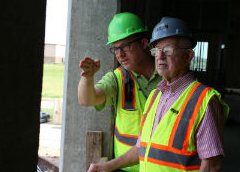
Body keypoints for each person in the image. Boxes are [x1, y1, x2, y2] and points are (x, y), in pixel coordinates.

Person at [87, 16, 229, 172]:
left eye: (168, 50)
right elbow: (143, 148)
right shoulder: (155, 97)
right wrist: (106, 167)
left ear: (188, 56)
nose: (160, 57)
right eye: (156, 50)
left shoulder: (204, 100)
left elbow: (211, 166)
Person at [78, 12, 162, 172]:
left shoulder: (168, 76)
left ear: (144, 43)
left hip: (160, 167)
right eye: (115, 49)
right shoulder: (119, 78)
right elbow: (86, 100)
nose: (119, 55)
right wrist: (88, 78)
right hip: (127, 168)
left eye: (125, 47)